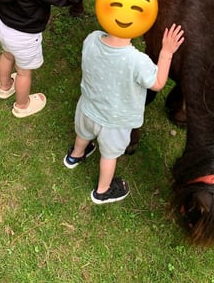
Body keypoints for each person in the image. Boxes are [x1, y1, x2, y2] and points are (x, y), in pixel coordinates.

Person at [63, 23, 185, 204]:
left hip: (87, 108)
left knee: (83, 134)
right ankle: (102, 191)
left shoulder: (92, 38)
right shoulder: (137, 61)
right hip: (114, 123)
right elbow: (158, 83)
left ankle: (76, 155)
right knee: (109, 155)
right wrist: (166, 52)